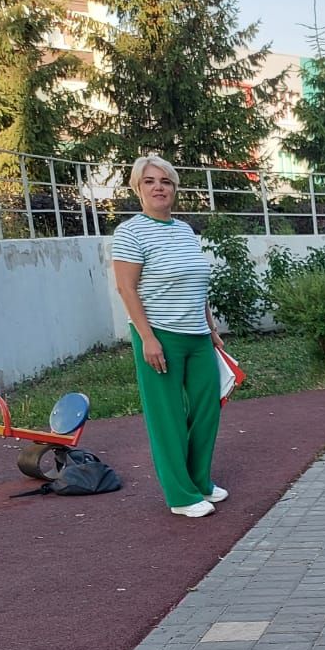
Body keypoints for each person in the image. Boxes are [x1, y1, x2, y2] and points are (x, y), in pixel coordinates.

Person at [111, 153, 227, 519]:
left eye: (165, 181)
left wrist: (210, 328)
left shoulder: (184, 230)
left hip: (196, 335)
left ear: (174, 188)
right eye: (149, 181)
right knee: (168, 418)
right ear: (138, 188)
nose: (158, 187)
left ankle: (200, 482)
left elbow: (197, 285)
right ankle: (180, 495)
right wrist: (147, 338)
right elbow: (127, 289)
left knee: (207, 410)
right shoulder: (129, 232)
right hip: (160, 335)